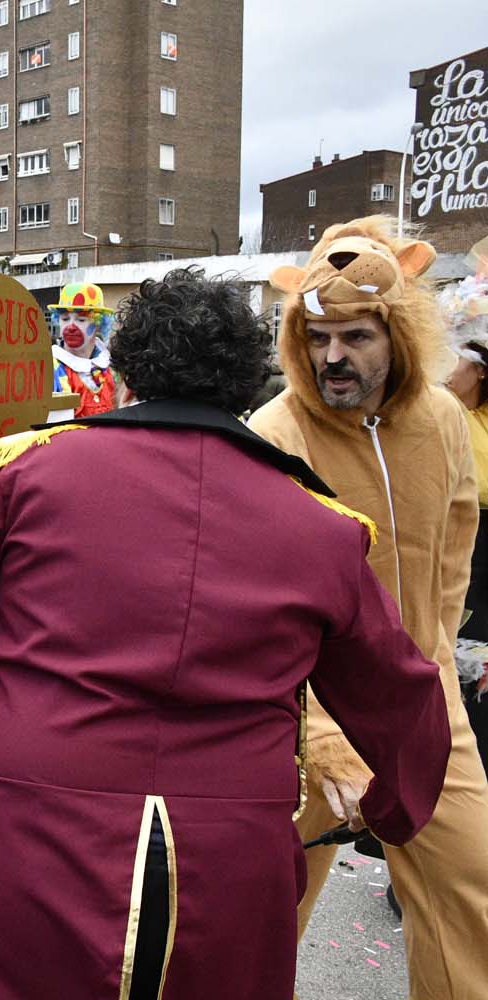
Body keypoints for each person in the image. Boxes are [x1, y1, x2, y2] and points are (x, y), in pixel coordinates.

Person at [0, 266, 452, 999]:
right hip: (230, 857)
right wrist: (389, 812)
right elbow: (404, 699)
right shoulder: (322, 528)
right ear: (246, 385)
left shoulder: (23, 474)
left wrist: (1, 735)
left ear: (125, 376)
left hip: (36, 824)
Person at [249, 218, 488, 996]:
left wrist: (437, 660)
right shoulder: (275, 434)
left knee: (468, 892)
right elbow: (266, 609)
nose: (332, 357)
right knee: (265, 914)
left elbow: (455, 544)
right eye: (317, 337)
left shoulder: (442, 419)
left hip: (424, 702)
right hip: (301, 717)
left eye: (354, 336)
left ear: (400, 334)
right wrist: (323, 737)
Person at [441, 251, 488, 774]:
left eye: (451, 357)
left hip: (480, 567)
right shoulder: (441, 410)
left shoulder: (465, 423)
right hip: (455, 558)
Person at [50, 281, 118, 417]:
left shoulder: (111, 366)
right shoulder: (50, 368)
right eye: (64, 319)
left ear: (98, 324)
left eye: (81, 320)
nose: (71, 326)